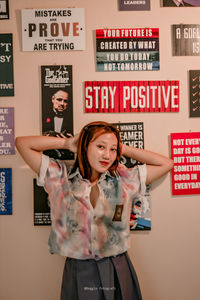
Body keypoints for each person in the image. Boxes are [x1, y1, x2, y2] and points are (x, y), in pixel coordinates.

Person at [15, 121, 174, 300]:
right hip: (79, 268)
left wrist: (121, 148)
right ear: (84, 146)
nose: (107, 155)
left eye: (112, 150)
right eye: (100, 146)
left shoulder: (124, 180)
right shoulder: (60, 178)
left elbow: (166, 164)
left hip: (118, 265)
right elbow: (22, 143)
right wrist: (66, 144)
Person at [42, 89, 74, 160]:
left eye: (65, 101)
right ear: (53, 99)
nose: (62, 104)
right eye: (59, 100)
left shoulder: (71, 119)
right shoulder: (44, 117)